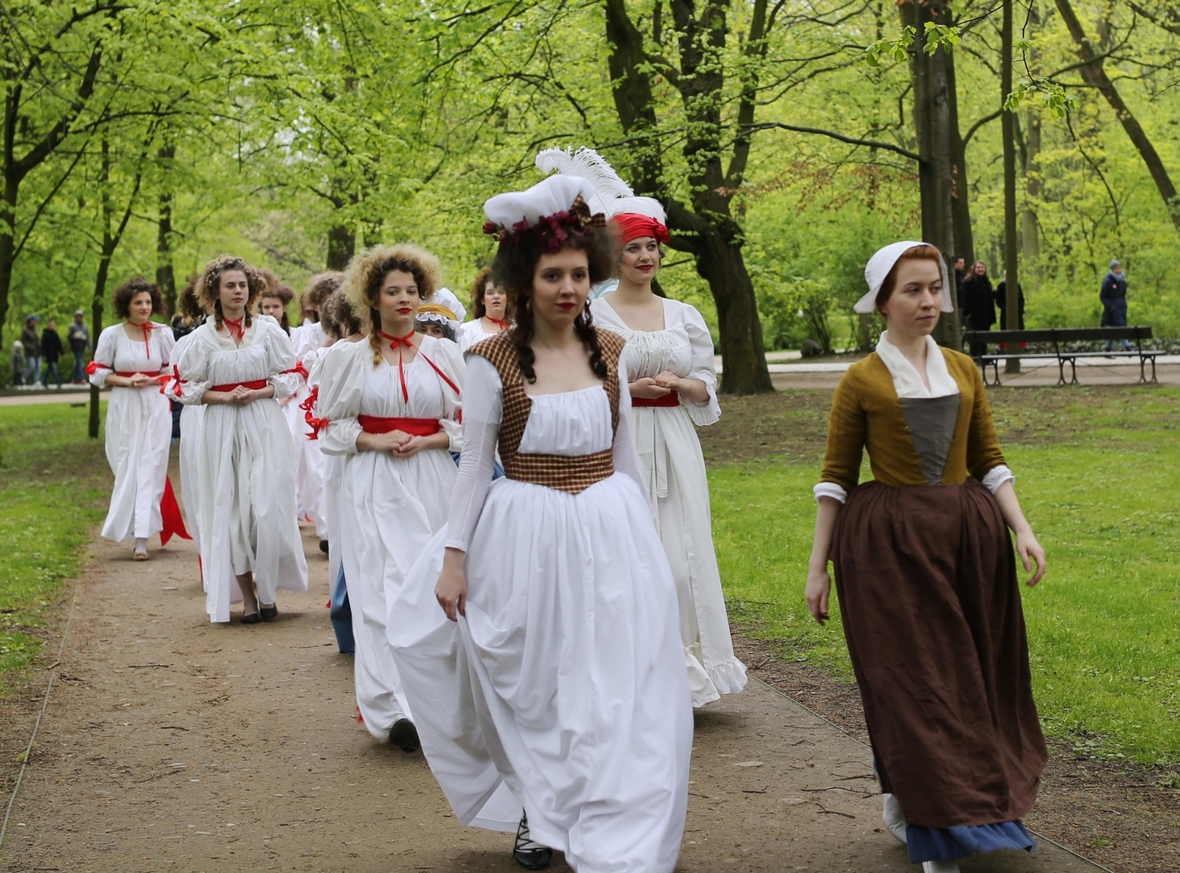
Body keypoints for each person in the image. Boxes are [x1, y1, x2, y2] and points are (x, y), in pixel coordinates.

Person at [391, 174, 692, 873]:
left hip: (609, 526)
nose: (567, 287)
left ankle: (610, 808)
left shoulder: (611, 355)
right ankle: (539, 803)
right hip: (527, 531)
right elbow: (472, 463)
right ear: (524, 280)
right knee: (539, 680)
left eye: (579, 274)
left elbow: (625, 458)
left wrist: (647, 539)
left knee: (612, 676)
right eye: (552, 274)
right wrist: (455, 555)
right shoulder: (489, 359)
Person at [805, 241, 1047, 873]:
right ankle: (931, 824)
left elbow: (990, 459)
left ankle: (958, 805)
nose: (929, 301)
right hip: (890, 549)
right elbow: (836, 478)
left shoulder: (964, 369)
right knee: (914, 683)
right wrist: (817, 568)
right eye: (912, 290)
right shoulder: (860, 380)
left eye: (934, 287)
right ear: (882, 302)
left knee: (971, 677)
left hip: (968, 542)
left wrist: (1022, 529)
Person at [585, 188, 745, 708]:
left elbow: (706, 384)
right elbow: (582, 386)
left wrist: (686, 385)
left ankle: (692, 671)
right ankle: (637, 675)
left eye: (652, 246)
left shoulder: (683, 313)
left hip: (676, 441)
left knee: (684, 558)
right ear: (616, 256)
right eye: (633, 248)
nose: (645, 257)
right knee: (631, 557)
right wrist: (627, 391)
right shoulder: (595, 315)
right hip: (623, 444)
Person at [313, 244, 464, 752]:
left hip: (432, 478)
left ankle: (437, 704)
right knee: (380, 591)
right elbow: (329, 426)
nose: (404, 299)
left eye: (412, 291)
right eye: (393, 291)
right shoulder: (347, 358)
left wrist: (432, 439)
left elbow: (469, 422)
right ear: (372, 298)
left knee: (431, 590)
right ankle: (392, 709)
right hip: (373, 481)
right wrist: (374, 440)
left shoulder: (444, 354)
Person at [173, 254, 308, 623]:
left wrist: (262, 392)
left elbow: (293, 374)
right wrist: (222, 397)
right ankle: (248, 598)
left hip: (263, 422)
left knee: (264, 508)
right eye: (229, 285)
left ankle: (268, 591)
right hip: (221, 428)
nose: (237, 291)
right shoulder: (200, 338)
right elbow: (185, 386)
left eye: (242, 285)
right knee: (231, 511)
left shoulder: (267, 330)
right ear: (214, 291)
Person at [87, 278, 181, 559]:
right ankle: (129, 527)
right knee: (126, 464)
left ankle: (142, 538)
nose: (144, 307)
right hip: (125, 404)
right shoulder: (111, 335)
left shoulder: (163, 333)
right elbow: (97, 372)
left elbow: (174, 370)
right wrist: (128, 382)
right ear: (126, 304)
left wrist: (152, 380)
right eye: (138, 302)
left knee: (150, 465)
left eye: (148, 302)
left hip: (154, 405)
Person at [168, 279, 209, 584]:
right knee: (203, 486)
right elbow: (177, 385)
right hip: (201, 418)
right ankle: (210, 561)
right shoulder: (188, 342)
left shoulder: (259, 334)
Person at [458, 267, 511, 350]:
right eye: (490, 293)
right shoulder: (467, 331)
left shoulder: (518, 330)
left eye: (501, 292)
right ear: (482, 299)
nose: (496, 296)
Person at [959, 261, 994, 357]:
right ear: (974, 269)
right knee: (975, 337)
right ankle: (975, 356)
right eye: (978, 267)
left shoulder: (987, 282)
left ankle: (984, 355)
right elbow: (965, 298)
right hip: (974, 315)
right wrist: (967, 313)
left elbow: (989, 297)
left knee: (985, 337)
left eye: (982, 267)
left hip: (986, 316)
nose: (980, 269)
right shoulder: (968, 282)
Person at [1100, 259, 1132, 352]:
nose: (1118, 270)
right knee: (1120, 327)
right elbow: (1103, 296)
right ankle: (1128, 347)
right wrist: (1110, 306)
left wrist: (1124, 305)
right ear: (1112, 269)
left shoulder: (1122, 280)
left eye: (1119, 267)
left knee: (1114, 329)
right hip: (1113, 308)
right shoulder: (1108, 280)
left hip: (1121, 307)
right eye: (1116, 268)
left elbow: (1123, 294)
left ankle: (1108, 349)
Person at [39, 319, 64, 389]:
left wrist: (62, 352)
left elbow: (59, 344)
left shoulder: (55, 334)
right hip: (48, 355)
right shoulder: (45, 334)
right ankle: (58, 382)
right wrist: (44, 355)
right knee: (53, 368)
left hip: (54, 355)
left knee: (50, 369)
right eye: (50, 324)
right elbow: (43, 346)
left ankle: (44, 381)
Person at [68, 310, 90, 384]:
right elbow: (69, 336)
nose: (79, 318)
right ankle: (82, 378)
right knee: (79, 362)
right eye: (77, 316)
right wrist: (74, 336)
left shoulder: (84, 327)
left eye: (80, 316)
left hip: (82, 347)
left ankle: (74, 378)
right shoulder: (73, 326)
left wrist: (90, 348)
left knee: (78, 363)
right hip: (75, 347)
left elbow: (87, 338)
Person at [21, 315, 41, 388]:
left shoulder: (35, 329)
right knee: (31, 366)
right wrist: (30, 346)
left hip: (37, 351)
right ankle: (23, 377)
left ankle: (36, 380)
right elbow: (23, 340)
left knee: (38, 366)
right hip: (29, 352)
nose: (35, 322)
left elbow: (38, 339)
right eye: (34, 320)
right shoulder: (25, 330)